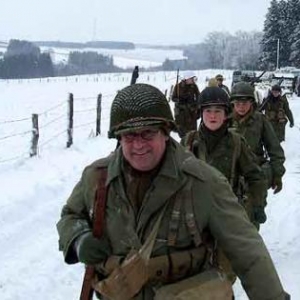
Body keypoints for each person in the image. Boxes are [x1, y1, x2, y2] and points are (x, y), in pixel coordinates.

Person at [57, 83, 289, 300]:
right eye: (129, 135)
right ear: (118, 138)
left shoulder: (203, 182)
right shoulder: (98, 177)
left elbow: (248, 251)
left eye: (148, 133)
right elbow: (71, 215)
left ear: (165, 132)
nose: (138, 145)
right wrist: (79, 239)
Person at [181, 86, 267, 229]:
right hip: (195, 215)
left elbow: (255, 177)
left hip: (228, 213)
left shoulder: (236, 142)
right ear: (201, 113)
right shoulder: (188, 142)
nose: (213, 116)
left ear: (226, 114)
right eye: (208, 111)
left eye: (218, 111)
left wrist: (258, 205)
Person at [229, 82, 286, 215]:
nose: (241, 107)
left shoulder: (260, 120)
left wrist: (277, 174)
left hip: (254, 176)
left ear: (252, 103)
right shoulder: (226, 120)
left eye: (245, 103)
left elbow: (275, 150)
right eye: (237, 103)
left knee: (251, 220)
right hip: (230, 175)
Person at [171, 71, 200, 138]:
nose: (193, 80)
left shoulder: (194, 86)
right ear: (187, 78)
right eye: (192, 78)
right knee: (183, 133)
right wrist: (179, 100)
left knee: (193, 134)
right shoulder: (178, 86)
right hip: (181, 114)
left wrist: (197, 108)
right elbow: (173, 98)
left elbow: (199, 97)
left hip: (191, 113)